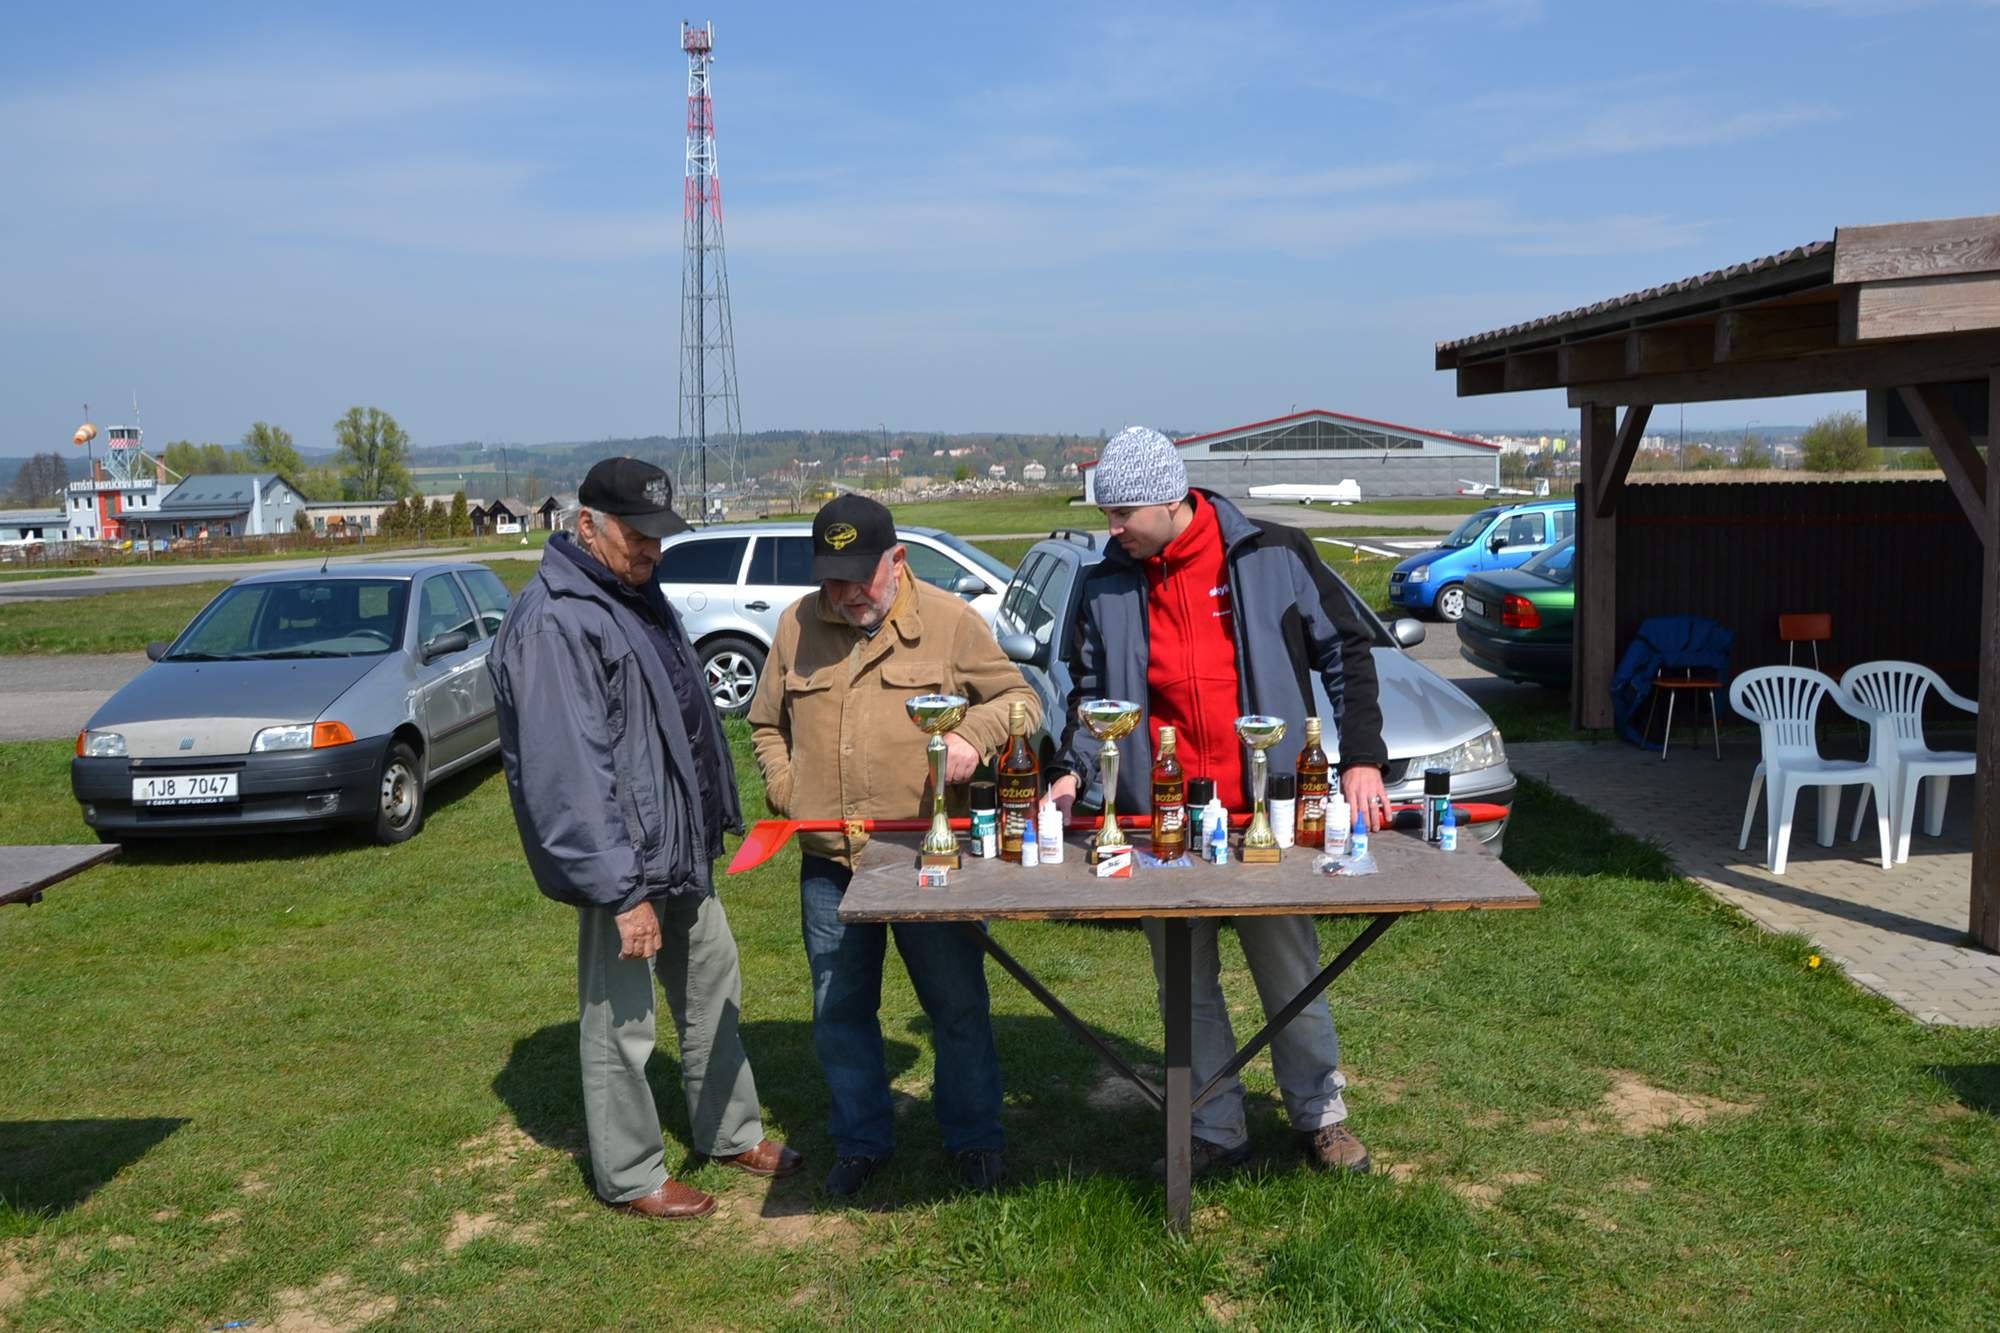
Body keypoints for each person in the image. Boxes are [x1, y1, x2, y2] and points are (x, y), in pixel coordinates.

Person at [1046, 426, 1391, 1177]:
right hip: (1160, 824)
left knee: (1291, 971)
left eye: (1122, 514)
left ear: (1171, 499)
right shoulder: (1103, 584)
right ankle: (1215, 1124)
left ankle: (1321, 1115)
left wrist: (1363, 756)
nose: (1112, 529)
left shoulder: (1275, 552)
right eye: (1106, 514)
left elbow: (1346, 650)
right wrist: (1073, 771)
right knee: (1184, 984)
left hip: (1265, 817)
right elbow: (1089, 695)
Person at [489, 458, 800, 1220]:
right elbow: (571, 774)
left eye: (660, 536)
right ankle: (630, 1172)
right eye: (638, 535)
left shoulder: (632, 590)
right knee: (622, 1023)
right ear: (586, 525)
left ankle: (730, 1130)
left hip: (677, 848)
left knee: (713, 984)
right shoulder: (557, 619)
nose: (653, 550)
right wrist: (621, 891)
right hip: (624, 865)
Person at [748, 494, 1040, 1200]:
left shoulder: (950, 621)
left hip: (925, 861)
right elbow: (765, 723)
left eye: (860, 577)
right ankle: (861, 1142)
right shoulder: (795, 624)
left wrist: (973, 736)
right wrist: (787, 787)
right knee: (840, 1010)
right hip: (830, 862)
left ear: (897, 560)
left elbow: (1022, 700)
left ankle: (974, 1140)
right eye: (832, 579)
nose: (846, 593)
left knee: (957, 1007)